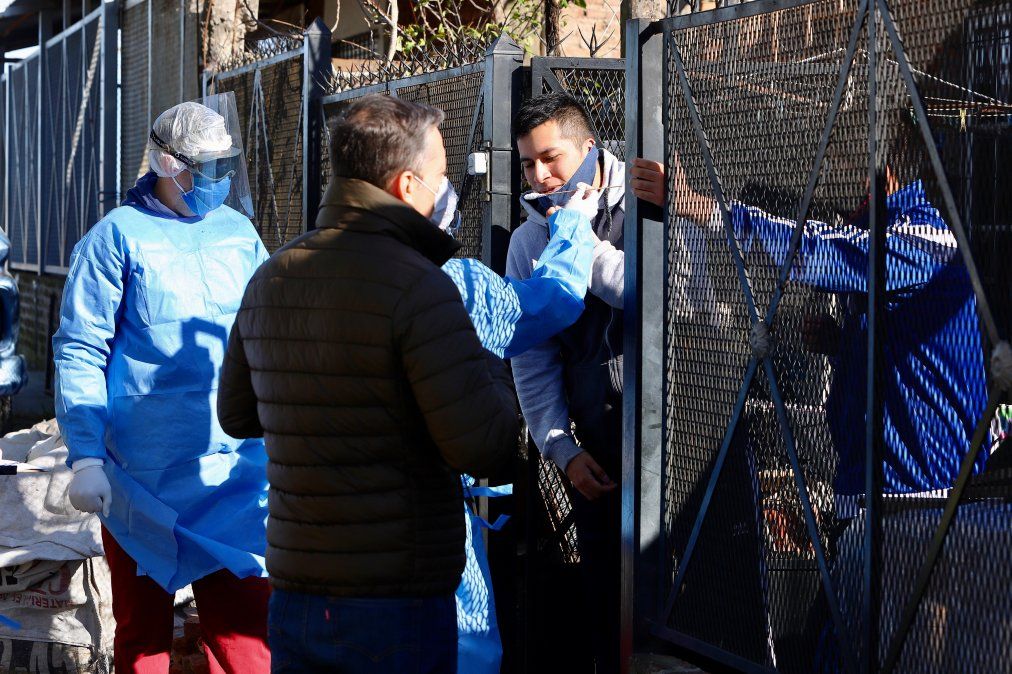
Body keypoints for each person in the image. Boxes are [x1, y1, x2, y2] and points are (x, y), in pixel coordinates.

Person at [217, 94, 519, 674]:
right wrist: (492, 356)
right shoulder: (420, 286)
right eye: (440, 177)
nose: (445, 190)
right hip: (394, 599)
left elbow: (239, 415)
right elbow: (484, 445)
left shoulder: (272, 276)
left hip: (297, 589)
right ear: (407, 186)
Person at [55, 97, 272, 674]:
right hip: (140, 479)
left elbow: (271, 332)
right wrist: (84, 457)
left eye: (228, 165)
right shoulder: (115, 238)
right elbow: (81, 347)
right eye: (209, 166)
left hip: (235, 474)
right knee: (144, 641)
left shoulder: (240, 232)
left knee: (247, 640)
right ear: (170, 164)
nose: (220, 179)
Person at [506, 92, 666, 671]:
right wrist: (560, 446)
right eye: (528, 164)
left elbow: (653, 295)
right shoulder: (529, 240)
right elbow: (530, 356)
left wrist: (577, 242)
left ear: (591, 151)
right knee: (607, 608)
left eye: (552, 158)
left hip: (680, 434)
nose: (541, 176)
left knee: (685, 602)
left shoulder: (654, 203)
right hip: (598, 446)